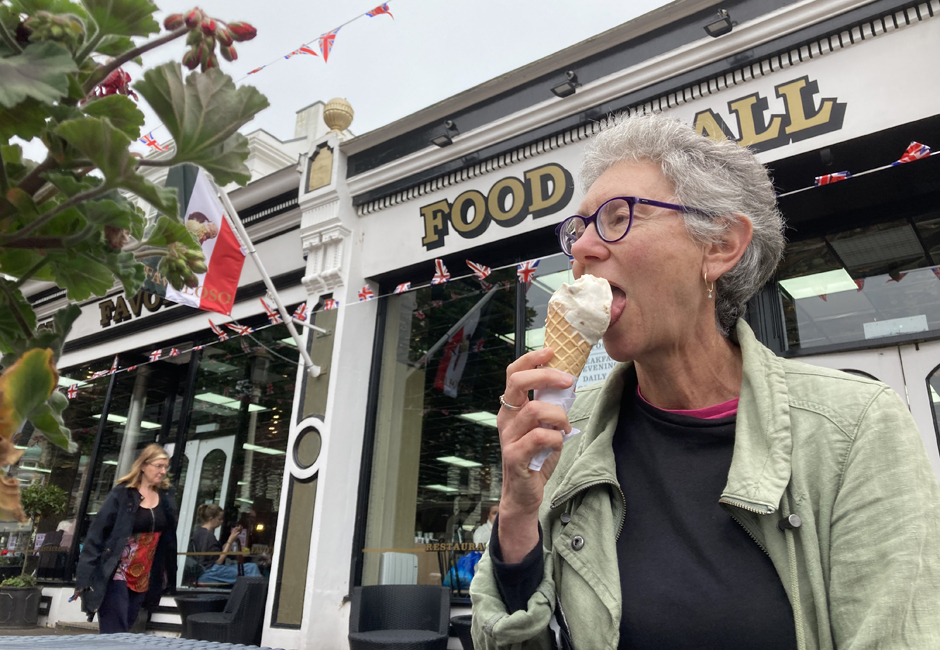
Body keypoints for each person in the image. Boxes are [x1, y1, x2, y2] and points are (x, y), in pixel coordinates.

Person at [470, 113, 940, 649]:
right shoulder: (567, 435)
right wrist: (517, 511)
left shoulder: (855, 427)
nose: (581, 249)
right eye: (578, 229)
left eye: (618, 217)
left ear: (719, 245)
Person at [75, 444, 178, 634]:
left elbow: (169, 541)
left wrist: (171, 576)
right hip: (117, 570)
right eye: (159, 466)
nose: (163, 471)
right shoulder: (123, 493)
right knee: (115, 629)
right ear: (143, 465)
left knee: (128, 625)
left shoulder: (166, 498)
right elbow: (97, 535)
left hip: (144, 574)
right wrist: (84, 576)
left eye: (166, 467)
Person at [191, 504, 261, 585]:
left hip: (208, 569)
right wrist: (230, 541)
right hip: (211, 571)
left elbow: (220, 552)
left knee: (247, 567)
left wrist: (232, 537)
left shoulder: (201, 533)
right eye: (219, 519)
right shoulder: (207, 536)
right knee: (251, 568)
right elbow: (219, 561)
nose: (221, 521)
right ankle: (254, 592)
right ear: (211, 519)